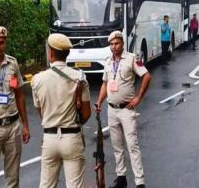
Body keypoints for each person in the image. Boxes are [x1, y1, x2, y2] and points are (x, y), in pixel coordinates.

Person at [31, 33, 91, 188]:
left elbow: (41, 111)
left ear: (50, 52)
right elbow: (86, 114)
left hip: (49, 138)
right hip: (72, 137)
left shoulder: (37, 79)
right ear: (68, 53)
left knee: (47, 185)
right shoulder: (79, 77)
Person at [95, 31, 151, 188]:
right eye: (111, 44)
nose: (113, 47)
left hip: (126, 110)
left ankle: (139, 182)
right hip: (111, 109)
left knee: (132, 146)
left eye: (116, 43)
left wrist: (138, 98)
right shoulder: (107, 61)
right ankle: (121, 178)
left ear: (122, 43)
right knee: (117, 146)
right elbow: (105, 84)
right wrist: (99, 102)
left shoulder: (132, 59)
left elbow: (146, 76)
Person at [0, 26, 30, 188]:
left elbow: (19, 95)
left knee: (13, 177)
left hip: (13, 127)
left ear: (5, 43)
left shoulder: (12, 63)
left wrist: (25, 126)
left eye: (1, 42)